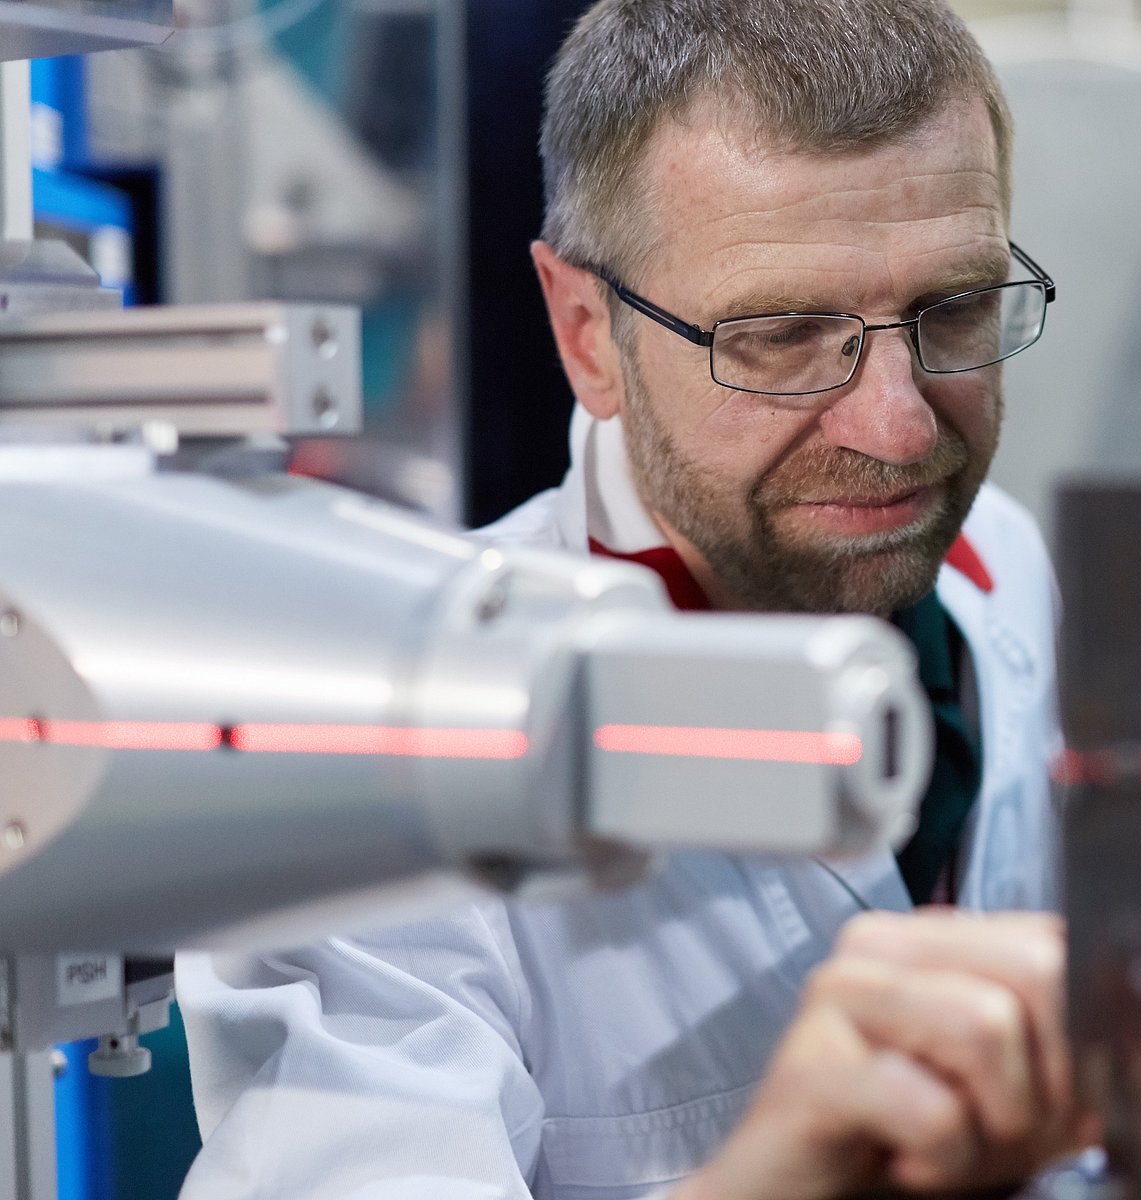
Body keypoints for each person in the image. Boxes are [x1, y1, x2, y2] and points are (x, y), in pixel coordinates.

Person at [174, 2, 1082, 1198]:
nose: (899, 429)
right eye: (783, 335)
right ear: (587, 333)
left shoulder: (1000, 562)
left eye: (954, 310)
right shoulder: (377, 771)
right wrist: (776, 1172)